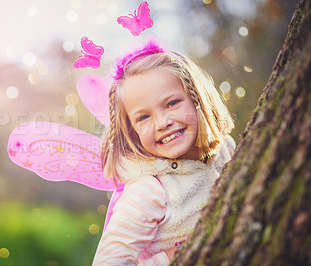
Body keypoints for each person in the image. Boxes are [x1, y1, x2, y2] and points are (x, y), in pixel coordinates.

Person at [92, 40, 236, 265]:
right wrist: (171, 258)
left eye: (172, 103)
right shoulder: (148, 191)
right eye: (143, 117)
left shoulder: (226, 148)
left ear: (196, 97)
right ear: (132, 130)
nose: (162, 123)